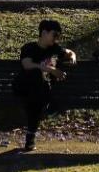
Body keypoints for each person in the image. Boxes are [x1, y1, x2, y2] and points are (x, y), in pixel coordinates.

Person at [13, 19, 77, 151]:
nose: (57, 38)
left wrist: (72, 57)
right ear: (44, 33)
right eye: (54, 34)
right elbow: (27, 65)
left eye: (59, 35)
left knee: (37, 99)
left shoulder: (55, 49)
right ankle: (49, 107)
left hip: (41, 91)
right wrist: (51, 70)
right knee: (36, 75)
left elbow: (69, 52)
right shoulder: (29, 48)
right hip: (24, 87)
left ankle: (30, 137)